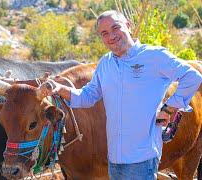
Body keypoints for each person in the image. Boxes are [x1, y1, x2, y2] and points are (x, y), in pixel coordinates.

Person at [39, 10, 202, 179]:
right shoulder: (105, 64)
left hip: (142, 158)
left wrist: (169, 108)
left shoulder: (153, 56)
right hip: (114, 159)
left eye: (115, 27)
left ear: (128, 25)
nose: (111, 36)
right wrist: (58, 88)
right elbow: (87, 96)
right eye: (105, 33)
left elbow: (192, 77)